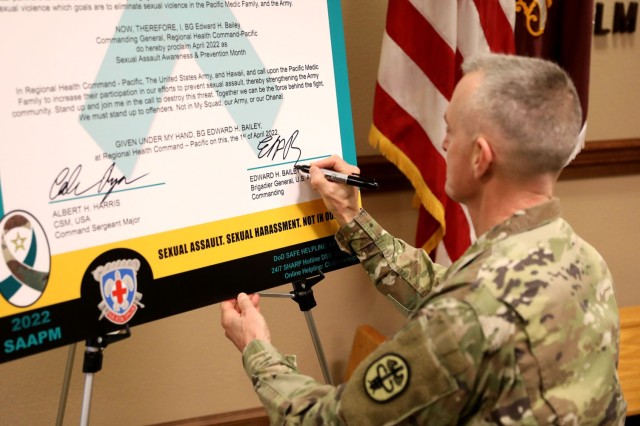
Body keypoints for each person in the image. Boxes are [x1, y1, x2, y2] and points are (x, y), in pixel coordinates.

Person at [220, 53, 626, 425]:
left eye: (450, 131)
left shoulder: (466, 313)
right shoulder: (583, 259)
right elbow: (447, 291)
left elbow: (327, 421)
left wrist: (257, 348)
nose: (444, 143)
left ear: (480, 156)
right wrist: (350, 215)